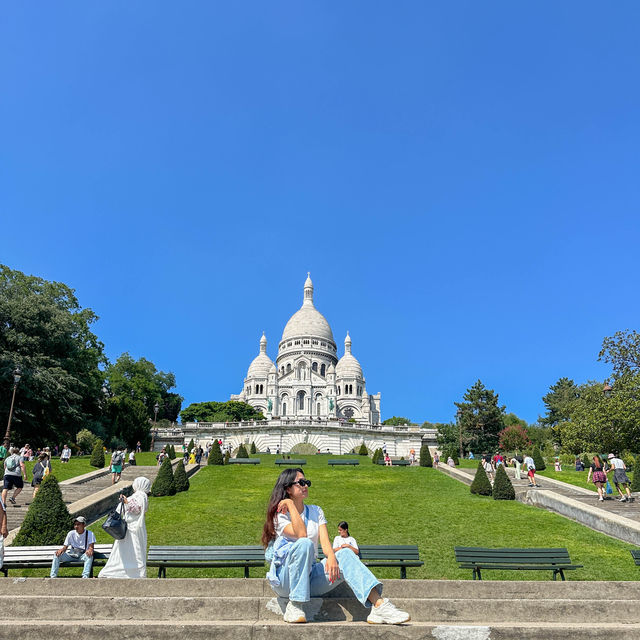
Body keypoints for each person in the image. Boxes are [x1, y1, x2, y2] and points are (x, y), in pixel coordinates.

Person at [262, 468, 410, 625]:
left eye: (307, 482)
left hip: (309, 577)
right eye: (301, 483)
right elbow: (301, 534)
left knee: (345, 554)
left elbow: (326, 544)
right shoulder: (280, 514)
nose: (306, 486)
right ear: (288, 488)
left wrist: (332, 557)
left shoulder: (316, 511)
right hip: (285, 580)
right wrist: (291, 505)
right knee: (304, 543)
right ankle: (296, 605)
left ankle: (380, 607)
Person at [98, 477, 151, 578]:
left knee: (135, 550)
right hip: (128, 528)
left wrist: (126, 502)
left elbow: (137, 509)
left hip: (134, 529)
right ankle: (119, 571)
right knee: (122, 550)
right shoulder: (137, 496)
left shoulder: (141, 495)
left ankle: (136, 573)